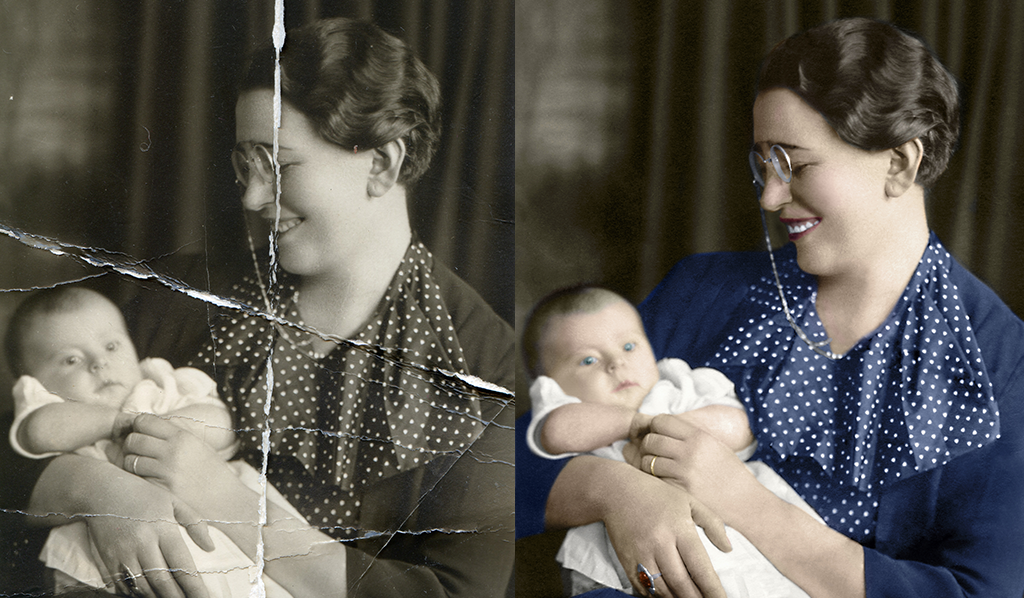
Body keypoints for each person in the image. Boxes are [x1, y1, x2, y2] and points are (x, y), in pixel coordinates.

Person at [516, 17, 1024, 598]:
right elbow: (512, 457)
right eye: (765, 164)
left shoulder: (999, 366)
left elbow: (985, 591)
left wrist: (745, 503)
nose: (770, 196)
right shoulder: (702, 292)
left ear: (901, 162)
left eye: (797, 165)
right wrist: (612, 490)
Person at [24, 17, 515, 598]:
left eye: (279, 166)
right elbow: (26, 433)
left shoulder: (483, 362)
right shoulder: (187, 290)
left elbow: (457, 592)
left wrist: (226, 499)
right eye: (244, 166)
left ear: (381, 164)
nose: (254, 198)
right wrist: (98, 492)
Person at [5, 286, 302, 597]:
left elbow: (223, 424)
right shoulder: (54, 411)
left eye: (111, 346)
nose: (98, 363)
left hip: (218, 531)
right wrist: (115, 422)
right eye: (71, 360)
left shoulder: (161, 383)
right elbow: (39, 432)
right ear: (34, 384)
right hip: (109, 553)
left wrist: (166, 428)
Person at [523, 285, 819, 597]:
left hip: (737, 536)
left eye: (628, 346)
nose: (615, 363)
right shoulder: (575, 415)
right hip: (628, 565)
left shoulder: (679, 385)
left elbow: (739, 427)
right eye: (587, 361)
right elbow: (555, 433)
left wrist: (667, 428)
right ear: (550, 386)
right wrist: (632, 423)